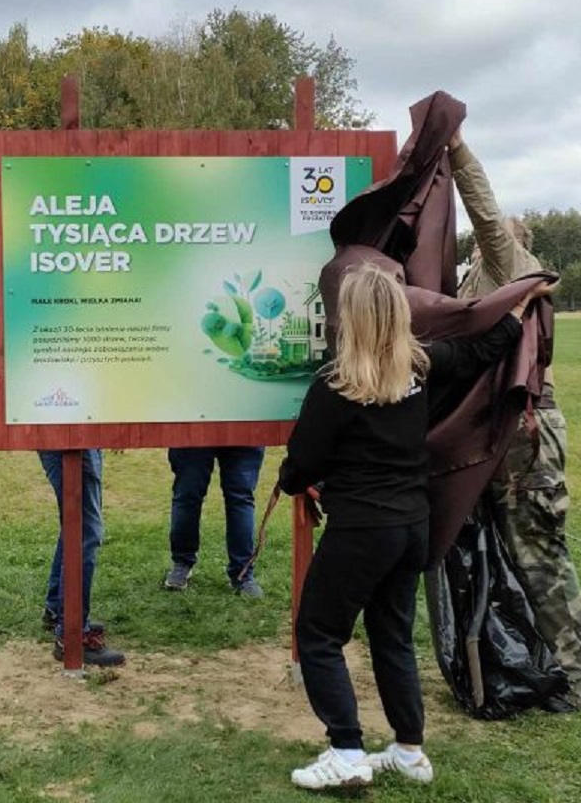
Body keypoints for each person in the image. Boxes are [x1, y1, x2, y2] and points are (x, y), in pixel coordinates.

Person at [280, 263, 553, 791]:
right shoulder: (422, 367)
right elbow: (481, 349)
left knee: (318, 633)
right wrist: (517, 306)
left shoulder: (335, 387)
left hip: (361, 530)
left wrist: (296, 482)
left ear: (349, 321)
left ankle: (346, 750)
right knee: (392, 637)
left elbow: (302, 464)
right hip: (412, 528)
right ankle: (408, 751)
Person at [451, 129, 581, 707]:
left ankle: (576, 677)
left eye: (490, 242)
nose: (479, 246)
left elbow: (487, 214)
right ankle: (534, 665)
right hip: (503, 431)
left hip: (527, 433)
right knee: (512, 552)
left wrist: (457, 151)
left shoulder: (509, 261)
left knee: (539, 553)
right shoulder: (481, 280)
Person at [38, 449, 124, 667]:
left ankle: (59, 610)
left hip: (76, 437)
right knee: (85, 530)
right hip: (72, 439)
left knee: (75, 525)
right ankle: (72, 635)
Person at [162, 447, 265, 597]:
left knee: (240, 498)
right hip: (194, 428)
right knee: (187, 494)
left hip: (242, 430)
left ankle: (242, 573)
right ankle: (182, 564)